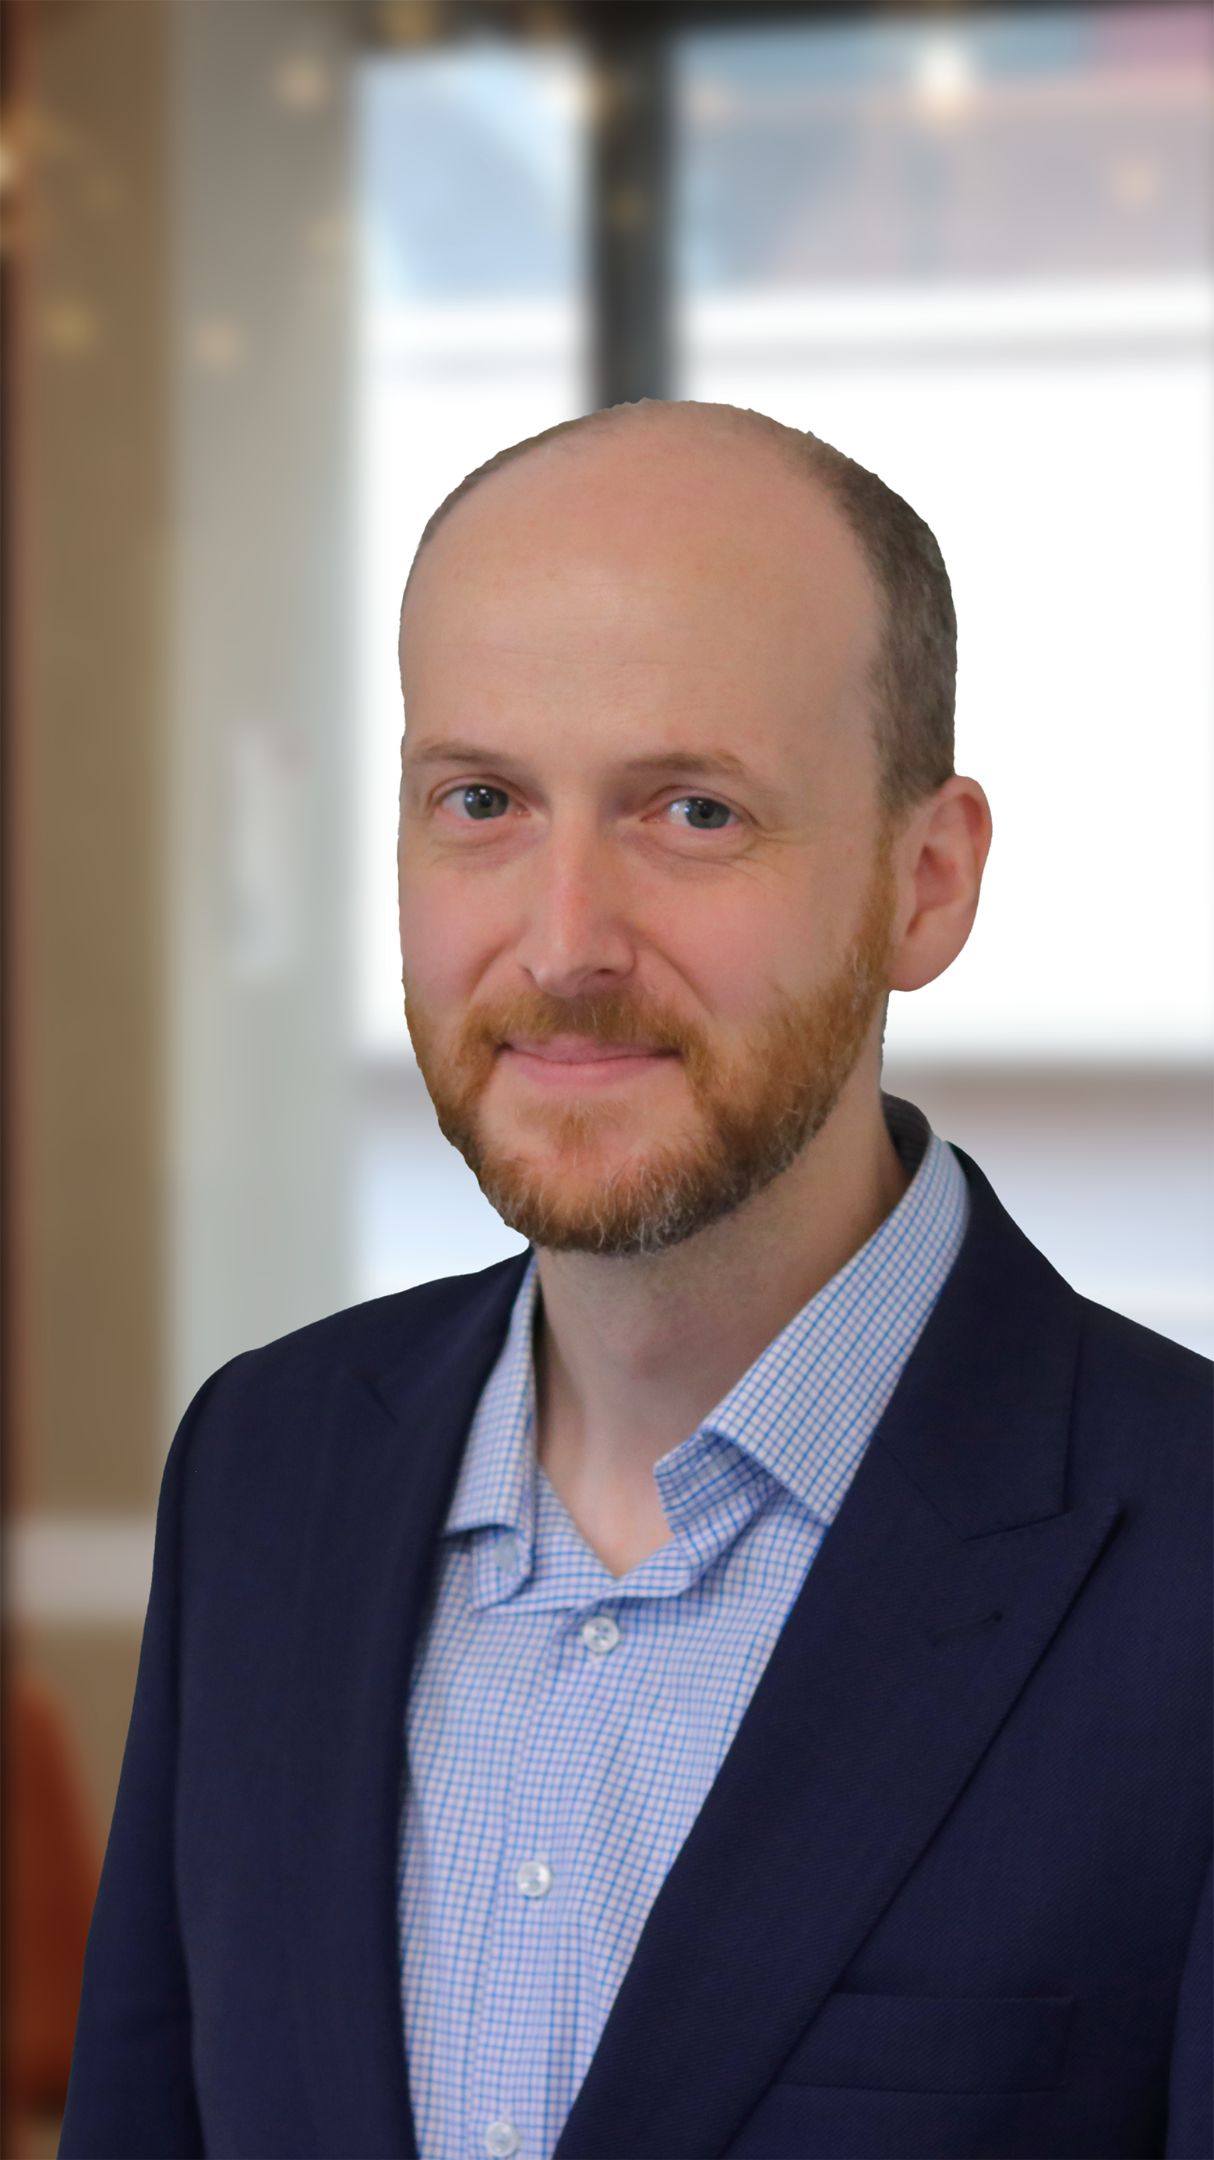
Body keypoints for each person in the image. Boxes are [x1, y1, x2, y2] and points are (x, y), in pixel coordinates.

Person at [59, 400, 1211, 2160]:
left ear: (925, 882)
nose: (563, 939)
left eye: (691, 808)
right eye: (480, 801)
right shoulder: (264, 1463)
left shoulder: (1184, 1552)